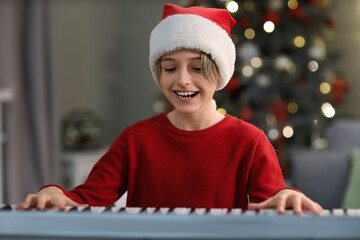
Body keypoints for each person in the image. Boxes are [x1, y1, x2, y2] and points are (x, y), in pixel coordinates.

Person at [17, 3, 323, 214]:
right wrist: (55, 193)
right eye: (170, 68)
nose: (183, 81)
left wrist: (285, 197)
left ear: (220, 75)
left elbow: (271, 206)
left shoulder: (251, 142)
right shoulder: (136, 139)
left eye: (197, 68)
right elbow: (87, 198)